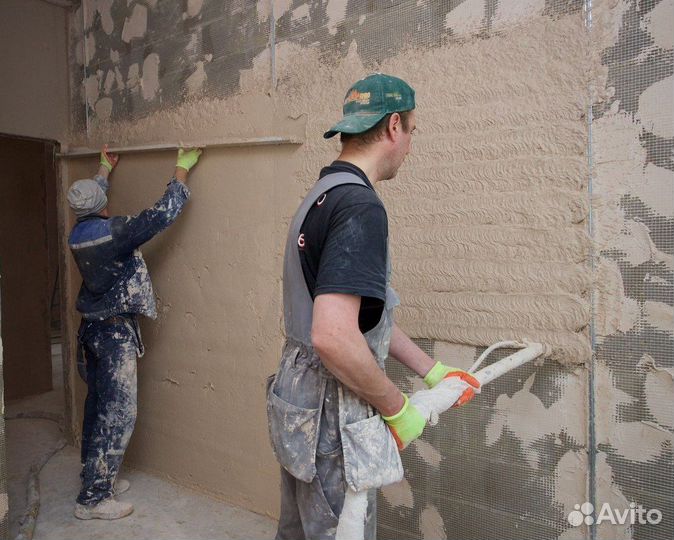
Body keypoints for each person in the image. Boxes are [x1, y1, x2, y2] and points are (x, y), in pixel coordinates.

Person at [267, 73, 482, 540]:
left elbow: (362, 318)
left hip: (300, 399)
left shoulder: (319, 197)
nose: (409, 145)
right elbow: (333, 336)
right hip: (331, 410)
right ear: (393, 127)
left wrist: (432, 372)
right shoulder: (361, 207)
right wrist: (397, 408)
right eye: (411, 133)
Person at [67, 145, 202, 520]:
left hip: (92, 329)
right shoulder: (113, 233)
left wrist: (103, 170)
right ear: (102, 206)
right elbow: (160, 215)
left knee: (96, 406)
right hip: (113, 336)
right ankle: (93, 499)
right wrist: (181, 168)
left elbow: (91, 198)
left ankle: (96, 477)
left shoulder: (79, 232)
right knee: (119, 412)